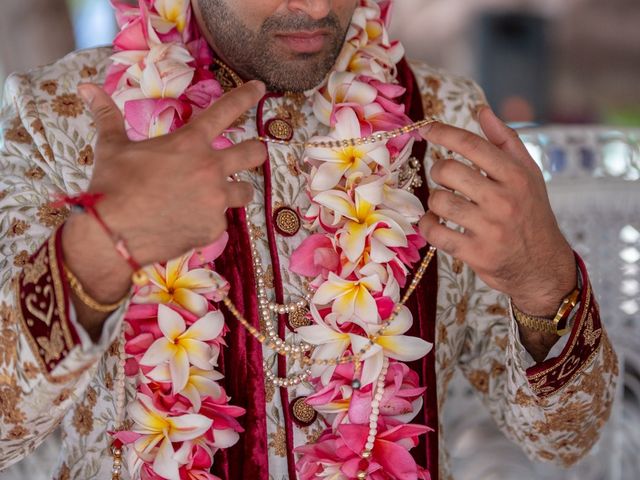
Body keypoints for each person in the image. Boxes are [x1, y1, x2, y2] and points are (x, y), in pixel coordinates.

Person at [0, 1, 618, 479]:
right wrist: (101, 248)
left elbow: (567, 439)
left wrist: (546, 285)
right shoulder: (60, 115)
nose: (320, 9)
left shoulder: (447, 117)